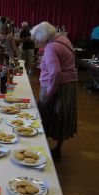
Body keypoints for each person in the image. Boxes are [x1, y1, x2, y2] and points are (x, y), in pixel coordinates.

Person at [31, 21, 78, 158]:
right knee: (62, 116)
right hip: (68, 85)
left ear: (43, 37)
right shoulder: (63, 39)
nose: (37, 42)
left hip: (56, 85)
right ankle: (57, 149)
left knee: (44, 115)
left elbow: (55, 72)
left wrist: (50, 92)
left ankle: (40, 149)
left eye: (37, 40)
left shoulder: (51, 47)